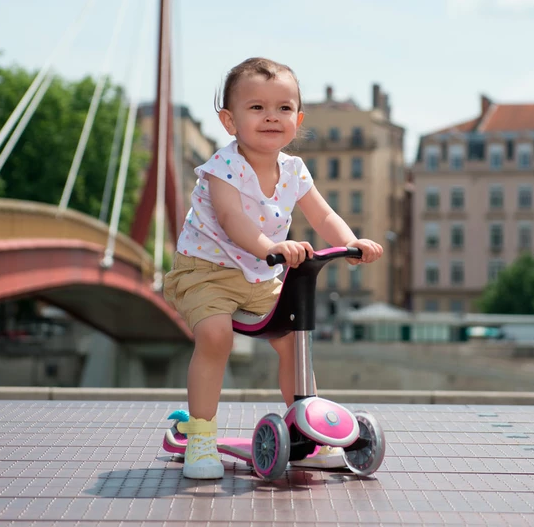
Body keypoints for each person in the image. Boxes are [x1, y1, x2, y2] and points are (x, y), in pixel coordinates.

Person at [163, 57, 383, 479]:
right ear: (229, 121)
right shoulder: (223, 167)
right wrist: (272, 247)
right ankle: (202, 438)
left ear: (298, 119)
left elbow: (322, 215)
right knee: (214, 335)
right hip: (205, 270)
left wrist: (350, 241)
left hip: (260, 276)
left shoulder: (295, 170)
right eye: (257, 108)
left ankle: (307, 434)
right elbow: (232, 220)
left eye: (283, 108)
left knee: (294, 345)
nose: (271, 117)